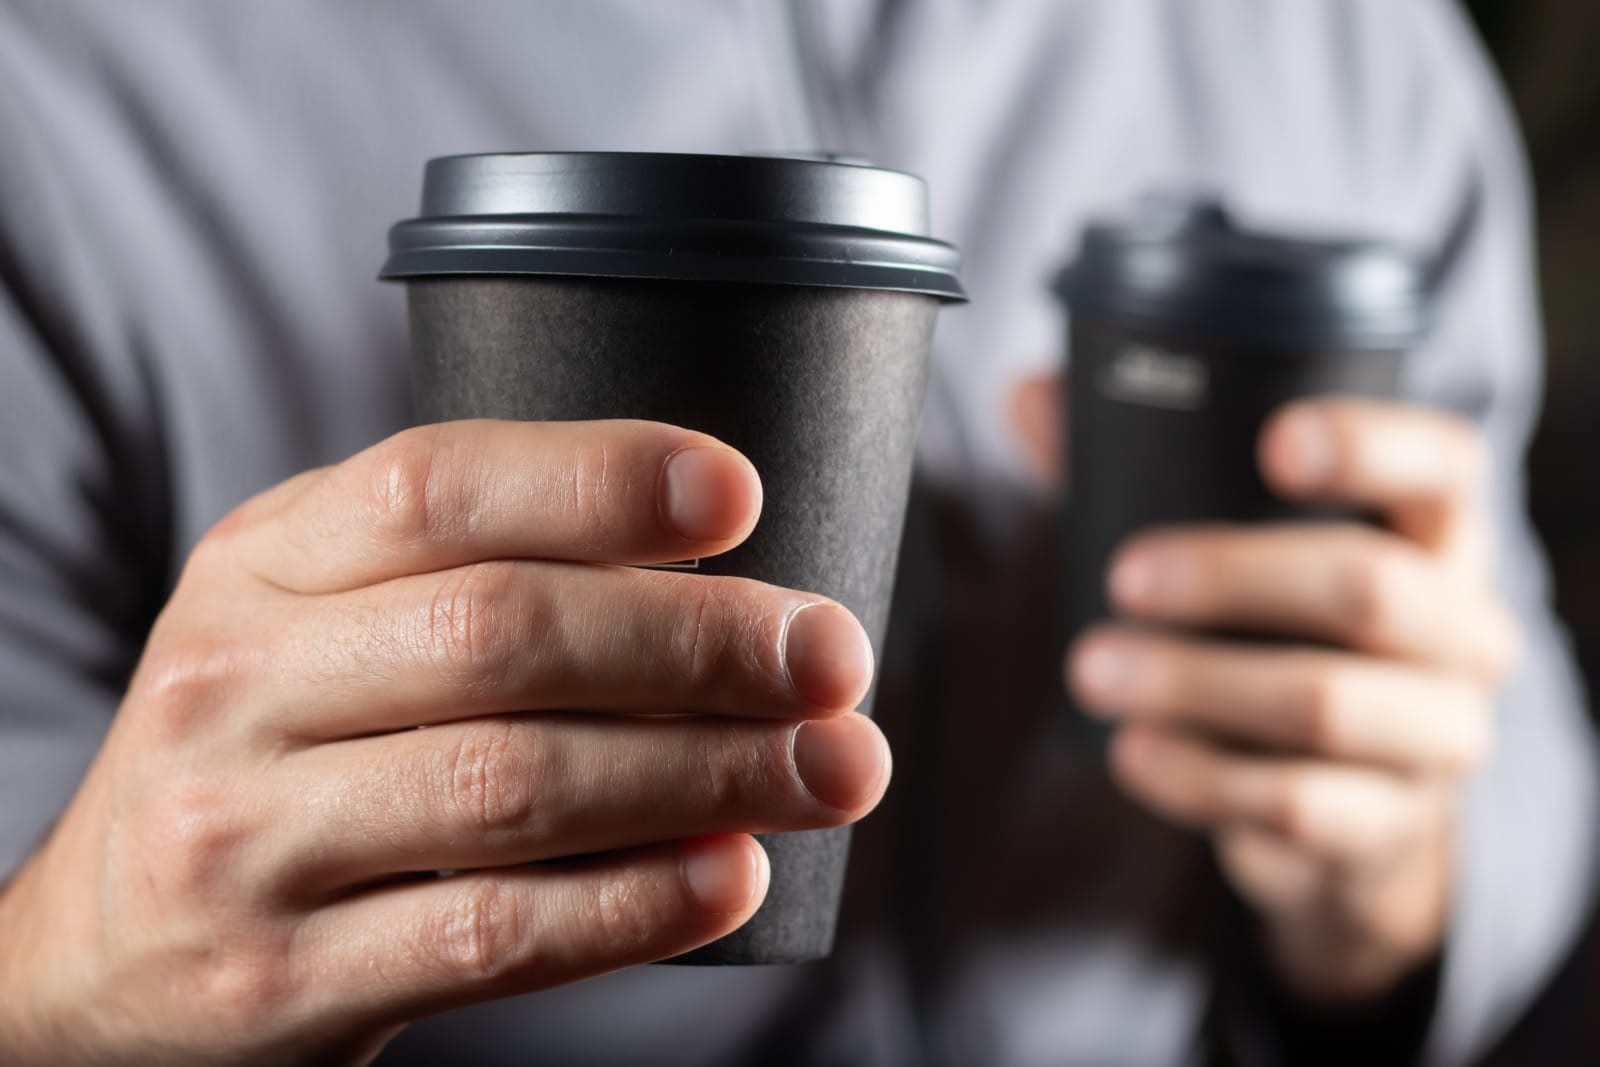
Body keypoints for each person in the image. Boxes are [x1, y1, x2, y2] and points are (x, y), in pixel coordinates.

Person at [0, 1, 1593, 1064]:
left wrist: (1407, 879)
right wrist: (69, 976)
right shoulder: (60, 86)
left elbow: (1514, 701)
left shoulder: (1364, 53)